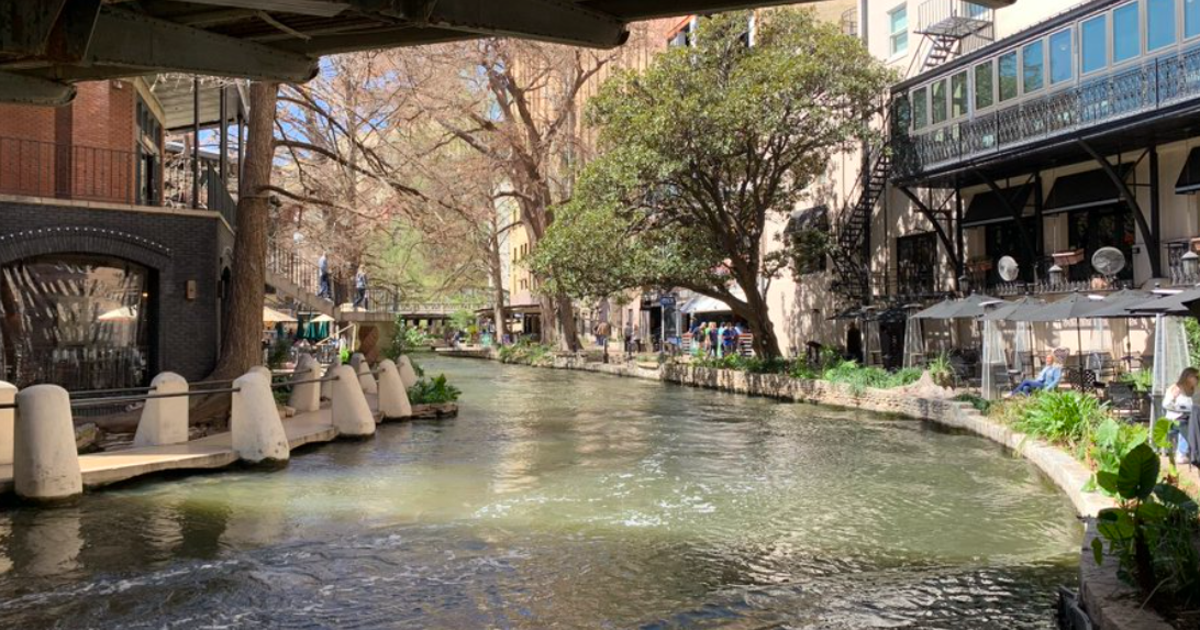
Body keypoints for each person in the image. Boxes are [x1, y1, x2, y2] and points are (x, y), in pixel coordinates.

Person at [1163, 367, 1198, 462]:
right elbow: (1165, 404)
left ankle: (1190, 452)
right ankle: (1182, 454)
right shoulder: (1175, 388)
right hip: (1174, 419)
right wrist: (1174, 398)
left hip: (1187, 416)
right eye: (1195, 377)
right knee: (1187, 425)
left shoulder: (1192, 390)